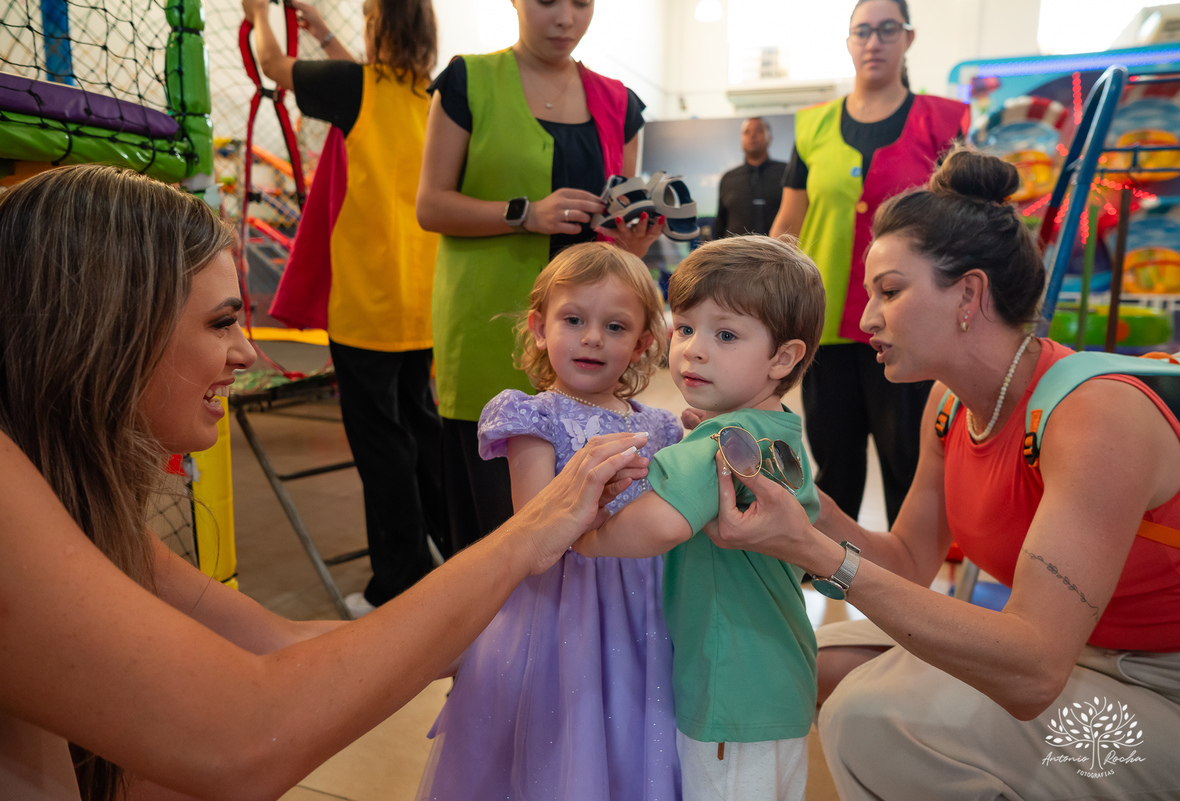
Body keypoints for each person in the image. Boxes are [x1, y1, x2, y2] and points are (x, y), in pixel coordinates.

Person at [0, 164, 651, 801]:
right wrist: (527, 536)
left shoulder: (73, 500)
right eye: (222, 322)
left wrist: (521, 640)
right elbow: (245, 737)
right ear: (115, 329)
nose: (246, 352)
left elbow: (273, 640)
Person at [708, 150, 1180, 800]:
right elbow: (908, 559)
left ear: (969, 293)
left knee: (869, 717)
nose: (864, 319)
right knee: (812, 661)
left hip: (1170, 699)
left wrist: (811, 549)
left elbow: (1031, 669)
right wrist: (806, 506)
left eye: (889, 291)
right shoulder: (949, 406)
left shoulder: (1094, 415)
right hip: (1084, 658)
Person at [416, 242, 682, 800]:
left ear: (642, 345)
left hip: (641, 602)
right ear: (539, 327)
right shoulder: (535, 416)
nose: (592, 338)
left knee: (636, 716)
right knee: (565, 725)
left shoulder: (660, 426)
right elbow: (535, 520)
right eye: (573, 320)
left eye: (615, 326)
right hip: (562, 604)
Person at [575, 236, 826, 801]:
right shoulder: (778, 431)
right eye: (685, 328)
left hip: (726, 693)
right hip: (778, 682)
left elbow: (658, 526)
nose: (694, 350)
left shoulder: (718, 441)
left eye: (726, 334)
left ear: (783, 358)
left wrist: (585, 535)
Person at [416, 0, 664, 558]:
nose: (565, 19)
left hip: (587, 342)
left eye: (581, 3)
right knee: (488, 532)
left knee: (585, 531)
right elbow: (431, 204)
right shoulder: (467, 81)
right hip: (488, 327)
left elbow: (617, 227)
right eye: (548, 1)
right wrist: (524, 213)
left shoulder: (619, 103)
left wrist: (635, 244)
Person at [242, 0, 443, 617]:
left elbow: (275, 66)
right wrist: (324, 27)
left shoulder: (357, 90)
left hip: (367, 307)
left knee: (382, 448)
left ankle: (395, 582)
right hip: (420, 306)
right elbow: (356, 73)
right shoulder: (427, 98)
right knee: (421, 434)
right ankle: (445, 550)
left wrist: (259, 15)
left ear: (376, 26)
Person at [770, 0, 967, 526]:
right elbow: (790, 221)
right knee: (833, 458)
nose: (874, 42)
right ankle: (830, 566)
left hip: (911, 323)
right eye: (863, 31)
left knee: (910, 460)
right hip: (825, 320)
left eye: (887, 30)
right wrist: (762, 293)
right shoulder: (812, 127)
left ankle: (907, 582)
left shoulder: (944, 120)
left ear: (908, 38)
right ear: (849, 40)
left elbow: (965, 221)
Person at [712, 117, 785, 239]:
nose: (752, 135)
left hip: (779, 253)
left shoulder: (786, 174)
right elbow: (720, 224)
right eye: (747, 132)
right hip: (736, 255)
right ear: (741, 141)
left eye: (759, 130)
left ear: (770, 138)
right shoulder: (728, 179)